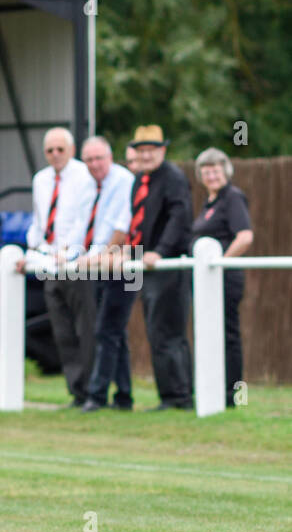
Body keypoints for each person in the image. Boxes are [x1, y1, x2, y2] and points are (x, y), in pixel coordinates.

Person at [19, 127, 97, 407]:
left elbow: (83, 219)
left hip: (76, 262)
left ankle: (92, 391)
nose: (54, 155)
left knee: (84, 328)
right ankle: (76, 392)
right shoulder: (41, 179)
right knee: (62, 330)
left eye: (60, 149)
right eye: (49, 151)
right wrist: (32, 250)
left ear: (71, 150)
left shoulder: (83, 175)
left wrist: (69, 251)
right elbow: (40, 220)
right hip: (48, 262)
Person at [127, 125, 194, 410]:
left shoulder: (173, 178)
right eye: (141, 151)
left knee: (168, 332)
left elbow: (180, 217)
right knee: (156, 331)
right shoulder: (141, 180)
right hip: (144, 263)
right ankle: (169, 395)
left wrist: (161, 251)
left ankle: (179, 396)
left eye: (150, 150)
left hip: (166, 264)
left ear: (162, 151)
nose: (145, 155)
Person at [188, 147, 253, 407]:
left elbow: (245, 237)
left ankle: (232, 395)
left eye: (215, 170)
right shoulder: (209, 203)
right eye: (206, 171)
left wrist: (218, 263)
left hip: (224, 279)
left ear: (225, 171)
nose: (211, 175)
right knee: (209, 335)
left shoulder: (232, 197)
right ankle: (212, 392)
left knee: (227, 335)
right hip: (206, 282)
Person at [78, 136, 135, 412]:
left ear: (110, 157)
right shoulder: (88, 186)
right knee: (115, 332)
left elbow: (121, 228)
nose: (94, 164)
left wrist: (101, 256)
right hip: (98, 264)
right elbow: (84, 224)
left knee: (106, 330)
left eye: (98, 158)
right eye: (88, 159)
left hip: (122, 264)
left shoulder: (123, 180)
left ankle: (97, 395)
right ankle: (124, 397)